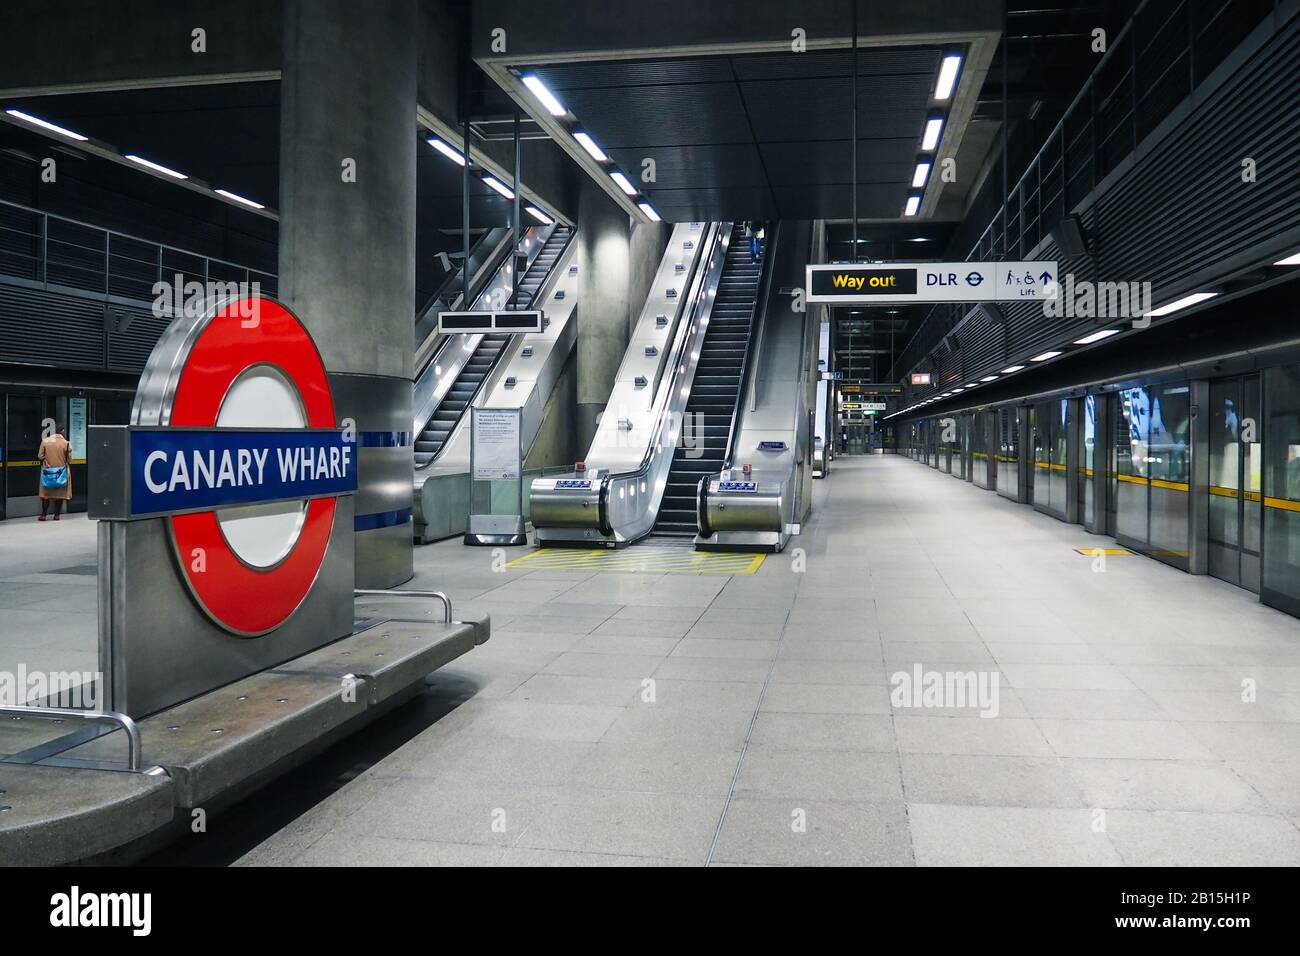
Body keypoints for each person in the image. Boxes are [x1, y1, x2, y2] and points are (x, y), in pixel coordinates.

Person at [37, 424, 72, 521]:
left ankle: (44, 515)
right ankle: (57, 515)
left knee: (45, 494)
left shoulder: (45, 441)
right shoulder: (66, 443)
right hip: (61, 472)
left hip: (47, 471)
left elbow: (40, 456)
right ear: (62, 431)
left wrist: (46, 460)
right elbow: (69, 459)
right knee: (59, 494)